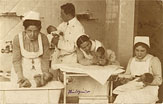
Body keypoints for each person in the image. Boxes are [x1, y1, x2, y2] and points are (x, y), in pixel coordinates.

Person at [114, 36, 162, 103]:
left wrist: (146, 81)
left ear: (147, 50)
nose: (139, 53)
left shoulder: (153, 60)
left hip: (148, 90)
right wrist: (124, 80)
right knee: (121, 96)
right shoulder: (132, 60)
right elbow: (128, 75)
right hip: (133, 87)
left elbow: (159, 80)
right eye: (137, 50)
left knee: (127, 98)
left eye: (142, 51)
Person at [12, 11, 52, 88]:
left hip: (38, 69)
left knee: (39, 92)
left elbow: (45, 59)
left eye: (35, 31)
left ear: (39, 29)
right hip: (21, 70)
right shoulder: (17, 38)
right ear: (25, 29)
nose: (32, 34)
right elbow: (16, 60)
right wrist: (20, 77)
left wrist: (44, 75)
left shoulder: (44, 38)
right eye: (29, 31)